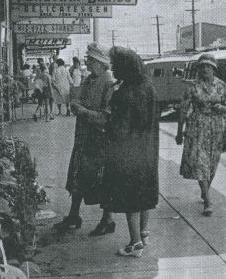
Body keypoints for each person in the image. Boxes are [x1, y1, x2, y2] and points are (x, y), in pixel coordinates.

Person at [102, 46, 159, 257]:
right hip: (148, 149)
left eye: (115, 65)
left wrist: (106, 122)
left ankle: (135, 243)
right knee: (145, 193)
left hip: (128, 152)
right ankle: (143, 234)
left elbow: (119, 129)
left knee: (130, 197)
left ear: (125, 68)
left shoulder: (124, 94)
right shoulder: (149, 88)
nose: (113, 69)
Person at [54, 43, 115, 236]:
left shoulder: (109, 82)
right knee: (77, 176)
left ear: (99, 62)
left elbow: (107, 116)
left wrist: (84, 111)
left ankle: (108, 219)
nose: (86, 62)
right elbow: (83, 99)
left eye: (89, 59)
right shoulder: (90, 80)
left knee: (102, 180)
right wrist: (77, 105)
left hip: (100, 141)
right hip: (84, 139)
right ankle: (73, 215)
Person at [176, 53, 226, 216]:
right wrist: (179, 131)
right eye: (202, 67)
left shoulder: (221, 86)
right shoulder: (192, 87)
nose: (205, 69)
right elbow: (183, 110)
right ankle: (207, 201)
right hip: (197, 127)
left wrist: (222, 108)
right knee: (200, 164)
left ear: (213, 69)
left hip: (216, 128)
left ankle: (205, 189)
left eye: (208, 66)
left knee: (212, 164)